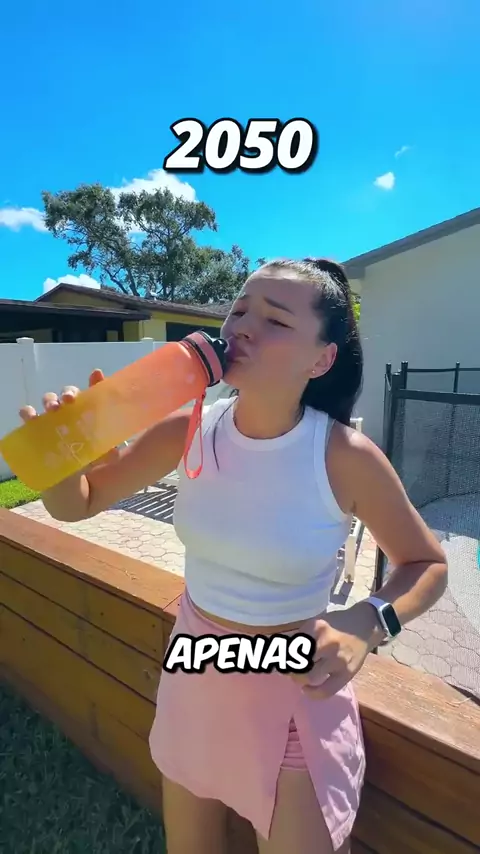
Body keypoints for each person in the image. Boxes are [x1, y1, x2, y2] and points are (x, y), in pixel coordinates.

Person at [20, 258, 448, 854]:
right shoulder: (190, 427)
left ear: (320, 359)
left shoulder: (343, 456)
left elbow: (428, 564)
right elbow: (80, 503)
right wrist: (59, 457)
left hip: (294, 686)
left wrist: (369, 620)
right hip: (195, 666)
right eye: (240, 309)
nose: (243, 325)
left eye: (275, 320)